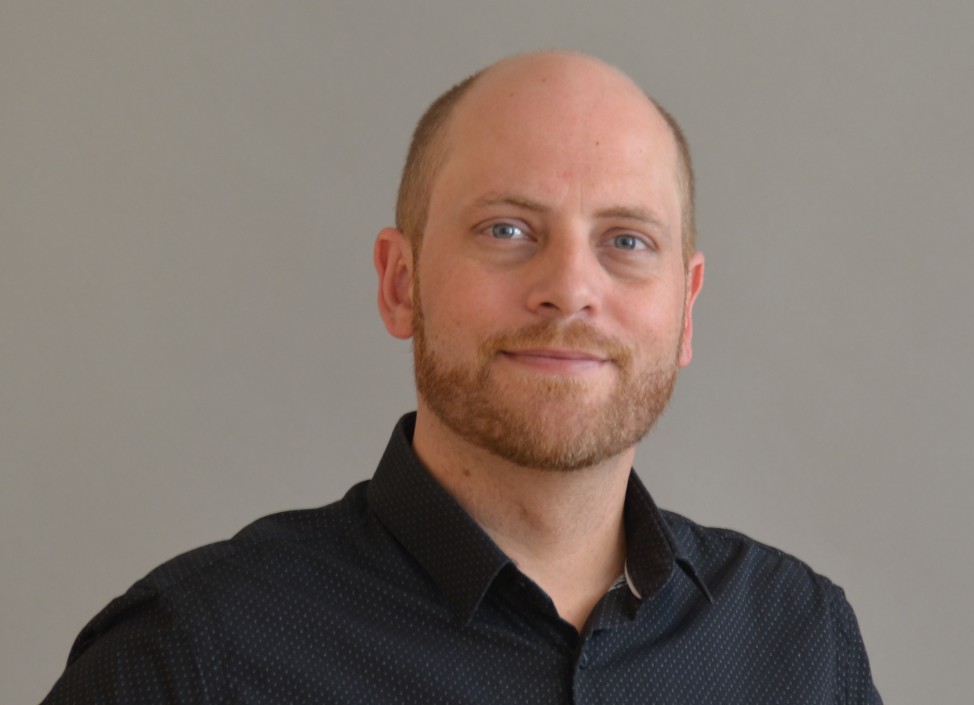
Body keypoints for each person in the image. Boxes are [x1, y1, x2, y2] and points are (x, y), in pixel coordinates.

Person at [41, 51, 882, 704]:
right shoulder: (193, 656)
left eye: (626, 240)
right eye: (507, 229)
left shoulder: (799, 643)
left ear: (686, 308)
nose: (570, 288)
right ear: (399, 282)